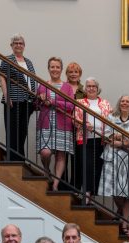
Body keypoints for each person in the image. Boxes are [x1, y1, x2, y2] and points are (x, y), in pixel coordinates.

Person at [99, 95, 129, 232]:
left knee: (128, 193)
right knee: (115, 190)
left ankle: (124, 224)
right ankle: (120, 209)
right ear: (119, 104)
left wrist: (121, 138)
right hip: (113, 159)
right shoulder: (111, 118)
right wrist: (124, 139)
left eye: (127, 101)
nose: (125, 103)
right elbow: (107, 136)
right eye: (122, 101)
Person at [36, 57, 75, 191]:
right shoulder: (42, 85)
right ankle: (46, 170)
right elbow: (36, 105)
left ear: (61, 69)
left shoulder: (67, 87)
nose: (55, 69)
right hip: (45, 123)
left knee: (60, 156)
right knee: (45, 153)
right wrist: (40, 99)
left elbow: (71, 106)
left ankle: (55, 184)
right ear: (48, 69)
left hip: (63, 125)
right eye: (52, 67)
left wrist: (52, 102)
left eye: (57, 67)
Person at [74, 77, 112, 200]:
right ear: (85, 88)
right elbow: (74, 119)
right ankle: (86, 193)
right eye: (89, 86)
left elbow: (111, 121)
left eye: (93, 86)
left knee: (98, 167)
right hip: (85, 139)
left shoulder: (105, 103)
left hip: (101, 140)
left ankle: (92, 195)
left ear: (97, 89)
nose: (91, 88)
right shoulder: (80, 102)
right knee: (87, 166)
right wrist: (83, 124)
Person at [0, 34, 37, 160]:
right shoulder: (8, 59)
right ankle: (13, 159)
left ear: (24, 46)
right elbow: (2, 76)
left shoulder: (28, 62)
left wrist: (34, 97)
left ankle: (20, 158)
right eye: (15, 43)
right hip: (13, 99)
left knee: (22, 131)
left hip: (27, 101)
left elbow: (32, 79)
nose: (18, 45)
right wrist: (6, 95)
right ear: (11, 45)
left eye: (21, 43)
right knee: (12, 130)